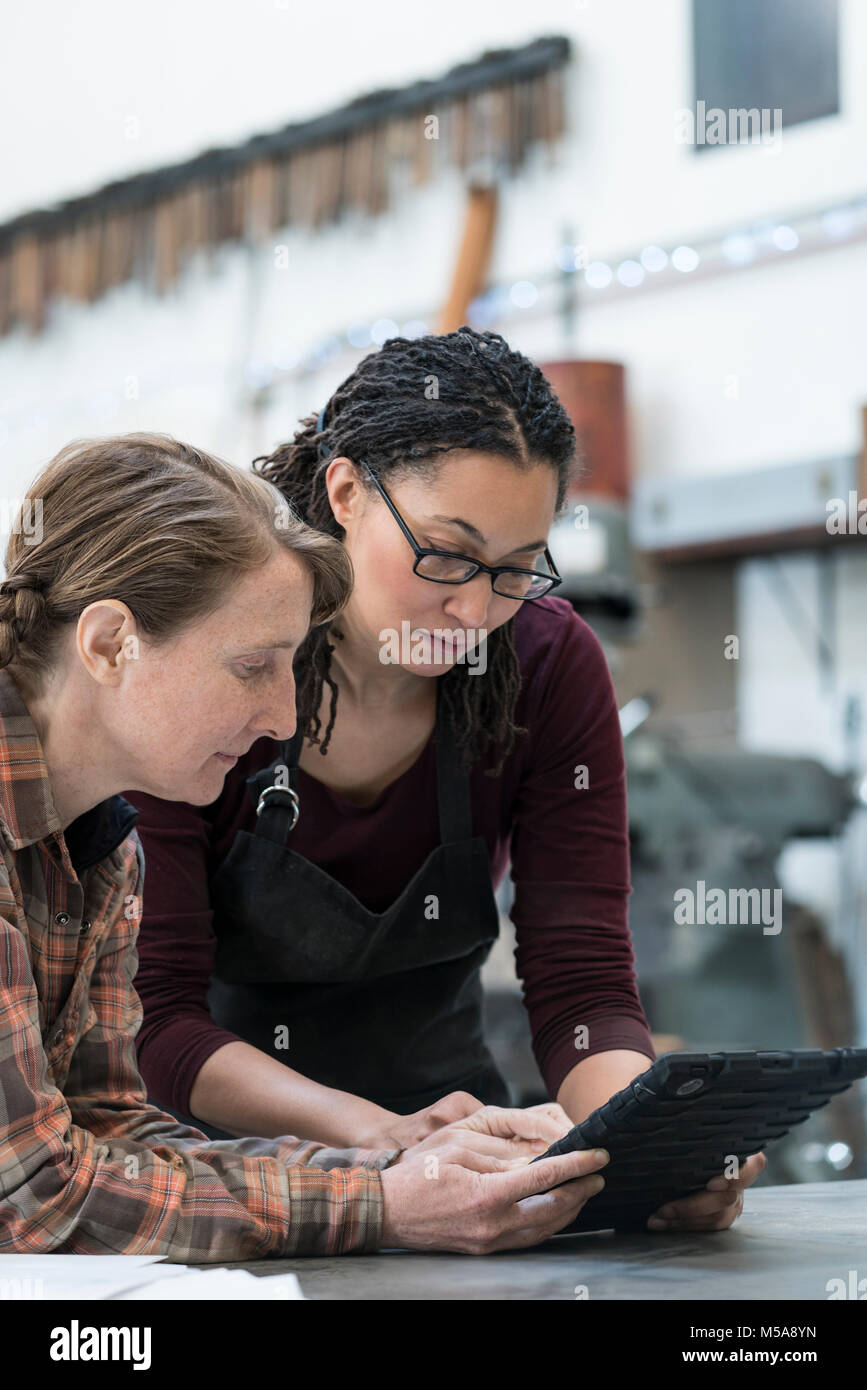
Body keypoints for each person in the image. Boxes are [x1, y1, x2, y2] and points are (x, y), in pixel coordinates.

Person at [126, 334, 765, 1232]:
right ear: (345, 493)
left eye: (514, 568)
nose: (475, 610)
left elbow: (581, 981)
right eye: (445, 554)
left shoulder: (545, 665)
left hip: (466, 1171)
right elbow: (154, 1023)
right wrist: (383, 1143)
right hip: (223, 1186)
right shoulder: (213, 664)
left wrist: (644, 1138)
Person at [0, 431, 613, 1258]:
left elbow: (108, 1135)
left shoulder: (101, 845)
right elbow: (34, 1193)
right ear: (111, 644)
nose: (284, 722)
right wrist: (380, 1201)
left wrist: (395, 1168)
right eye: (252, 666)